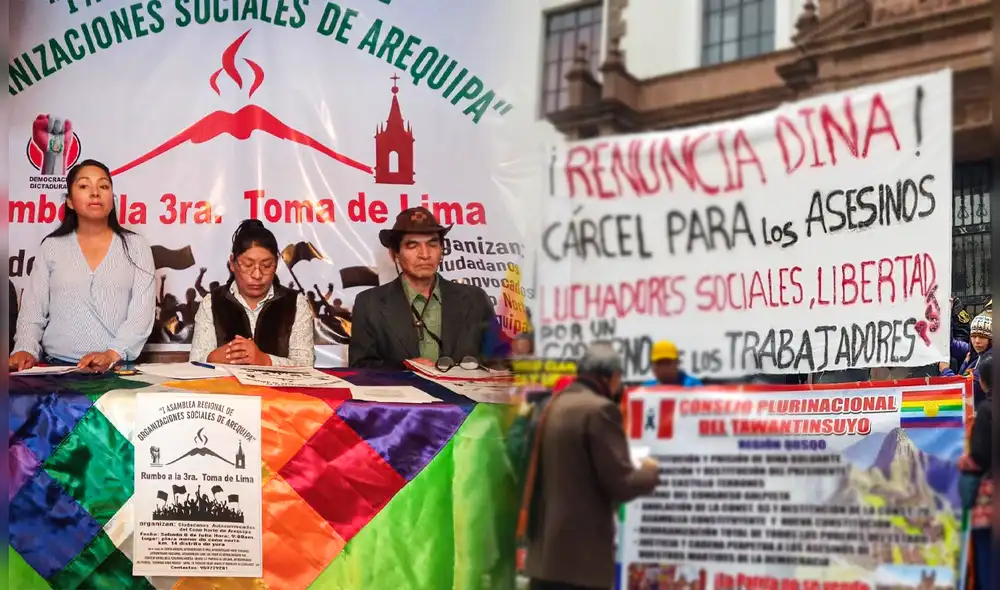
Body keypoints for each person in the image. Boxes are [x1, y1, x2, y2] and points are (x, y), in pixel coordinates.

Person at [522, 343, 661, 590]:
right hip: (580, 563)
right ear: (613, 377)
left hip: (544, 558)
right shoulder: (600, 410)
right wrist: (651, 470)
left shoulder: (552, 405)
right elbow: (623, 484)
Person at [9, 159, 155, 372]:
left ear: (112, 200)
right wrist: (24, 349)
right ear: (69, 201)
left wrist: (112, 354)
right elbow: (33, 310)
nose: (95, 193)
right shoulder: (51, 246)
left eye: (104, 186)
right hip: (56, 370)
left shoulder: (136, 246)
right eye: (84, 186)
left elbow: (141, 314)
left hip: (116, 370)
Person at [349, 207, 503, 370]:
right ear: (394, 254)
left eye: (432, 244)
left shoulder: (475, 299)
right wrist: (404, 367)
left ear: (441, 251)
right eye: (412, 245)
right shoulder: (369, 303)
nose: (424, 254)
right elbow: (359, 367)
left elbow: (498, 363)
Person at [189, 220, 314, 367]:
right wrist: (213, 358)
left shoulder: (295, 303)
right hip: (226, 390)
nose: (257, 274)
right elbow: (194, 364)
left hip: (277, 390)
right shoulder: (212, 302)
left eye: (266, 266)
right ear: (232, 263)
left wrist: (265, 360)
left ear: (276, 264)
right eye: (248, 265)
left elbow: (306, 366)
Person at [958, 352, 992, 590]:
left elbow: (979, 456)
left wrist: (964, 462)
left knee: (988, 568)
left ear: (983, 382)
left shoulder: (988, 411)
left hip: (989, 506)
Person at [941, 310, 991, 404]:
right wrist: (946, 314)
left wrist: (945, 370)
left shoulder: (989, 361)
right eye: (974, 336)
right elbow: (951, 344)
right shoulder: (977, 351)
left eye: (982, 337)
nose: (977, 341)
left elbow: (965, 390)